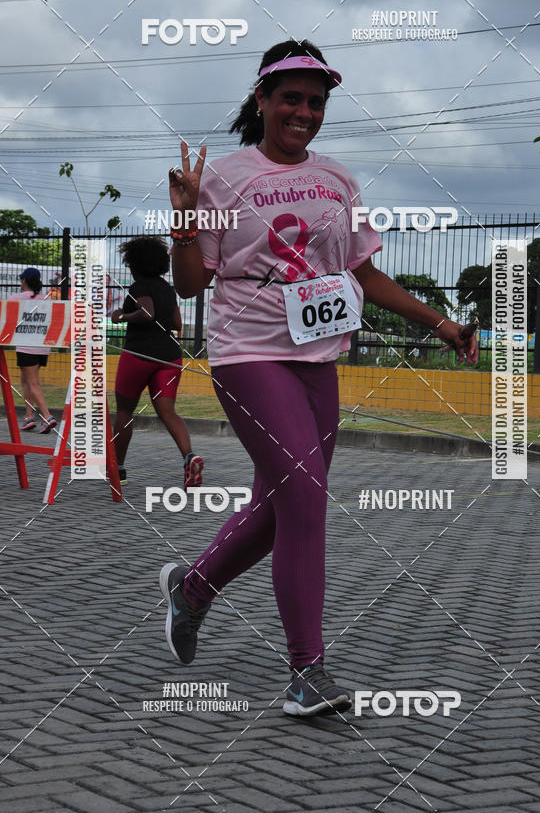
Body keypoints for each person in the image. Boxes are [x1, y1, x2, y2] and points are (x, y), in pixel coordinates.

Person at [159, 40, 478, 718]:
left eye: (315, 101)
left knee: (283, 508)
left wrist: (440, 324)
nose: (303, 112)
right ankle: (307, 671)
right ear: (262, 101)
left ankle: (191, 589)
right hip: (248, 354)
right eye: (291, 98)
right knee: (305, 499)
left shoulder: (338, 179)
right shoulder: (224, 177)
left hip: (317, 359)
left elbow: (364, 274)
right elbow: (191, 285)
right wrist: (185, 220)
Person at [110, 235, 203, 488]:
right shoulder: (168, 288)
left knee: (125, 412)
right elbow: (176, 324)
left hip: (139, 354)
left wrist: (121, 317)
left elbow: (147, 313)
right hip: (170, 356)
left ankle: (118, 470)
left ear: (136, 264)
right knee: (169, 412)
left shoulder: (138, 287)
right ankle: (189, 456)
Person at [9, 267, 57, 434]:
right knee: (26, 380)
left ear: (24, 281)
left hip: (25, 346)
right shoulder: (46, 298)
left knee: (32, 382)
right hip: (43, 347)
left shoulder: (16, 298)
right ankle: (29, 417)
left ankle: (47, 416)